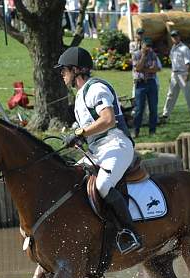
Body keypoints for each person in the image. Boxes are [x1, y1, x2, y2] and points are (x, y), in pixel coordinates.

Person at [56, 47, 141, 254]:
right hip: (98, 150)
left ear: (76, 69)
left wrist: (80, 132)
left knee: (102, 184)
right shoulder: (79, 96)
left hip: (116, 144)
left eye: (64, 70)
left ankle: (129, 233)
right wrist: (79, 139)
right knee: (69, 181)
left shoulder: (96, 89)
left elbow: (108, 119)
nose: (62, 74)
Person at [161, 30, 190, 121]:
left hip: (182, 74)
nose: (174, 38)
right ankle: (166, 114)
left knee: (187, 94)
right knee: (170, 94)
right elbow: (174, 63)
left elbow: (188, 63)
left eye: (176, 36)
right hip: (174, 74)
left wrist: (188, 75)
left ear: (179, 36)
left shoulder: (184, 48)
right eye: (173, 37)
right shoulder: (173, 48)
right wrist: (172, 75)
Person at [132, 37, 161, 137]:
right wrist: (143, 57)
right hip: (140, 84)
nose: (148, 48)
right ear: (142, 45)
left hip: (151, 82)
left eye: (150, 46)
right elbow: (138, 68)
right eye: (147, 46)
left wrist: (144, 69)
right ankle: (136, 130)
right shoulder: (136, 54)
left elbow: (156, 69)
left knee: (153, 108)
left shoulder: (153, 55)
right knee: (139, 109)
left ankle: (152, 131)